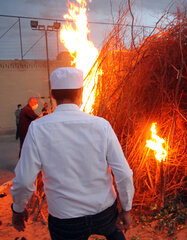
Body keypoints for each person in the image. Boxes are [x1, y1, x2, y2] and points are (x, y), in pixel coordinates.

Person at [10, 67, 134, 240]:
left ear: (52, 95)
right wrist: (126, 209)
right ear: (81, 93)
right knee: (114, 233)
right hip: (104, 212)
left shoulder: (38, 129)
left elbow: (24, 180)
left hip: (65, 219)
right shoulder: (101, 126)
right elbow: (124, 174)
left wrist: (18, 208)